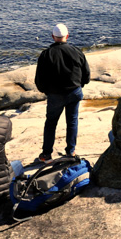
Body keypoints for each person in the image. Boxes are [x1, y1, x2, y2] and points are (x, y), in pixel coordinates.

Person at [34, 23, 91, 162]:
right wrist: (80, 85)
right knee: (72, 121)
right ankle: (70, 152)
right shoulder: (77, 51)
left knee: (51, 123)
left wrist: (46, 91)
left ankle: (46, 154)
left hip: (55, 95)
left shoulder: (46, 54)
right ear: (67, 36)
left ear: (53, 37)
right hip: (74, 91)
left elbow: (39, 79)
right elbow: (87, 74)